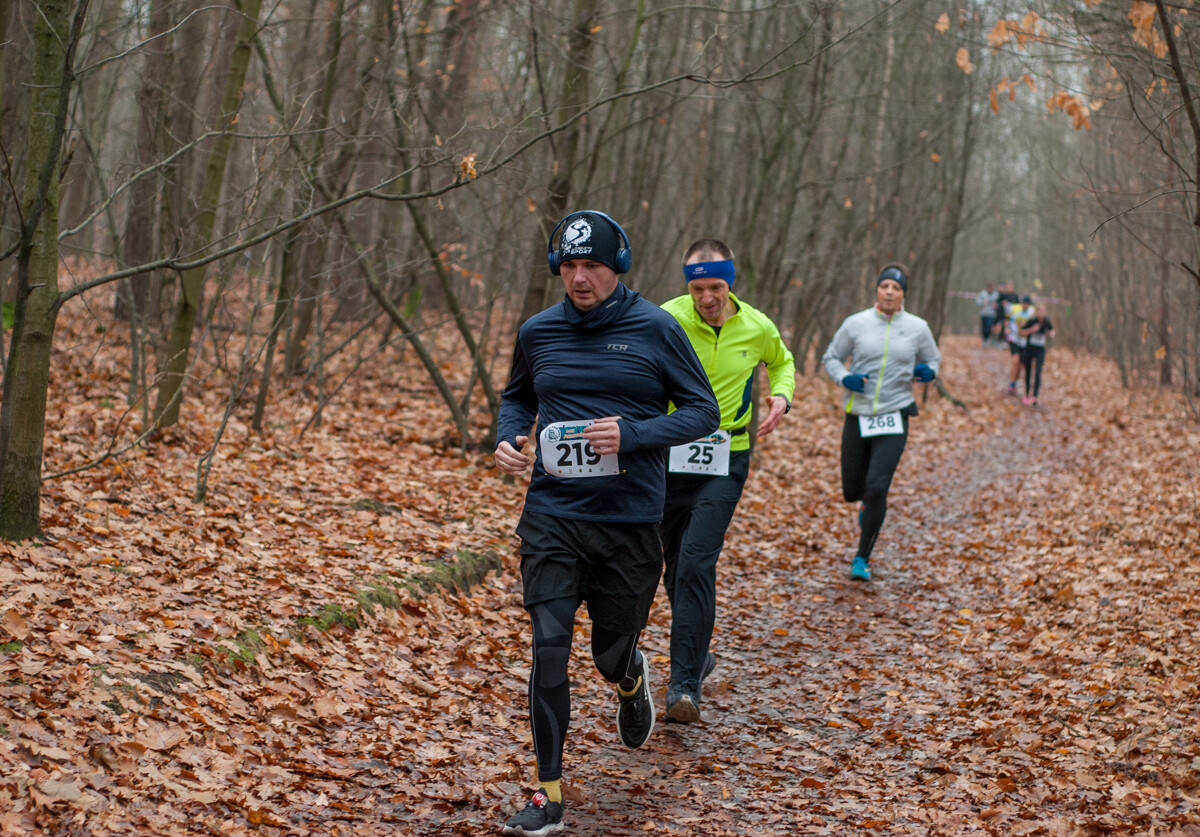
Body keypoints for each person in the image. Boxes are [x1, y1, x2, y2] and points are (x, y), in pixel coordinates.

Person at [494, 210, 720, 837]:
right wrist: (508, 435)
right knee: (547, 644)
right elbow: (518, 396)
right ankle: (548, 794)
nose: (579, 277)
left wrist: (633, 434)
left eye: (591, 265)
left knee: (607, 652)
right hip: (552, 514)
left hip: (627, 519)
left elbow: (702, 411)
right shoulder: (538, 332)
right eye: (568, 266)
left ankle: (629, 677)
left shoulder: (656, 329)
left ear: (615, 267)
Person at [658, 239, 796, 724]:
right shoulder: (668, 318)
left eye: (715, 287)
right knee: (672, 564)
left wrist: (781, 396)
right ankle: (697, 650)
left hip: (727, 454)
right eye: (697, 287)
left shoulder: (756, 325)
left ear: (730, 282)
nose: (706, 297)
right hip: (670, 454)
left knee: (697, 561)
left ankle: (684, 686)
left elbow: (782, 361)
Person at [821, 264, 940, 582]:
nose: (889, 291)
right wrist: (844, 377)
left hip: (895, 414)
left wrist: (930, 372)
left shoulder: (917, 327)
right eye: (885, 285)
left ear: (903, 295)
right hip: (858, 414)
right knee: (852, 489)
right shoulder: (856, 323)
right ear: (877, 290)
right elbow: (831, 357)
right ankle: (865, 508)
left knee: (877, 487)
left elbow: (933, 359)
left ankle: (862, 557)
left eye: (896, 288)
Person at [1018, 303, 1055, 406]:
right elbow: (1021, 332)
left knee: (1038, 371)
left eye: (1043, 312)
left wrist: (1050, 333)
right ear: (1036, 312)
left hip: (1040, 349)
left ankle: (1035, 396)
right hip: (1029, 349)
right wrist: (1032, 330)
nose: (1041, 314)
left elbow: (1052, 331)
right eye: (1039, 311)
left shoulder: (1046, 321)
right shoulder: (1032, 321)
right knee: (1028, 371)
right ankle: (1026, 394)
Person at [1005, 295, 1034, 395]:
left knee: (1020, 365)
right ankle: (1011, 384)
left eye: (1027, 304)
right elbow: (1009, 322)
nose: (1025, 305)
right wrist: (1008, 329)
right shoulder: (1015, 312)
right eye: (1024, 303)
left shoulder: (1031, 314)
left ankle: (1014, 383)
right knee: (1015, 360)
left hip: (1025, 343)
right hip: (1015, 340)